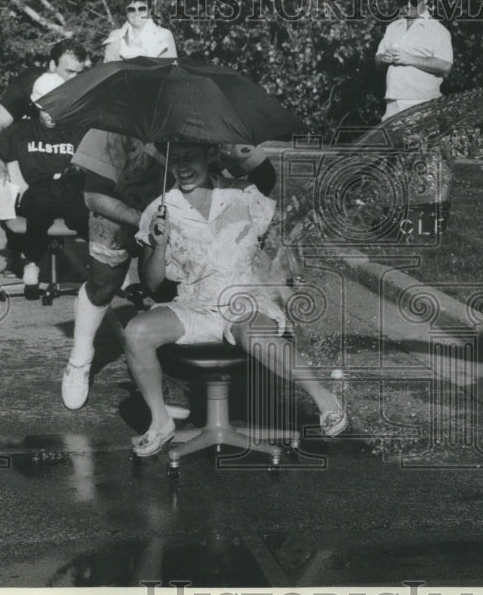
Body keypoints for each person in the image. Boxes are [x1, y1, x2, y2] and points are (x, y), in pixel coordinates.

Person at [123, 140, 347, 456]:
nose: (183, 166)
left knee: (252, 333)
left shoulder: (243, 194)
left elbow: (279, 235)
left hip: (246, 297)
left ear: (210, 154)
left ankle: (324, 398)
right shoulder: (158, 210)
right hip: (196, 304)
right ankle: (160, 421)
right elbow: (150, 284)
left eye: (191, 155)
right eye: (176, 159)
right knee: (136, 331)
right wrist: (158, 245)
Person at [62, 131, 278, 411]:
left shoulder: (203, 115)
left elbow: (264, 175)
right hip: (124, 210)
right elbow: (93, 197)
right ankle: (80, 357)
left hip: (188, 205)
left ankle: (172, 375)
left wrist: (240, 222)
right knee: (103, 284)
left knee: (178, 287)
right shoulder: (114, 126)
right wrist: (149, 222)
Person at [0, 73, 89, 297]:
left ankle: (104, 267)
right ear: (36, 107)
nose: (50, 114)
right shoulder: (24, 129)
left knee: (82, 210)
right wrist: (0, 170)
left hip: (70, 184)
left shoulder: (76, 128)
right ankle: (32, 263)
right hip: (39, 187)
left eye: (56, 107)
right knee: (40, 204)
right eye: (45, 108)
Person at [375, 0, 453, 121]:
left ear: (426, 1)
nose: (408, 5)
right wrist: (383, 59)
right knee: (393, 144)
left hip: (421, 104)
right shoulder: (393, 27)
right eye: (404, 1)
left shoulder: (437, 30)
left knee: (419, 144)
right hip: (392, 101)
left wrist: (409, 59)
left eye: (414, 1)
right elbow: (377, 60)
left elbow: (445, 65)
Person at [103, 0, 177, 62]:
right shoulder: (116, 36)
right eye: (131, 9)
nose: (136, 13)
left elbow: (173, 68)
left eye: (142, 9)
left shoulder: (164, 35)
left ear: (149, 11)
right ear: (127, 13)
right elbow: (108, 70)